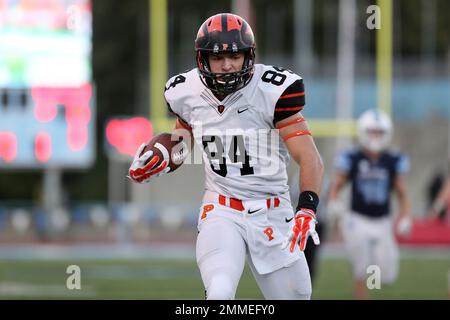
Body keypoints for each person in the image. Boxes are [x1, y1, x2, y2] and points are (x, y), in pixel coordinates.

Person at [128, 13, 324, 300]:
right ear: (202, 60)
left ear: (249, 56)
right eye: (218, 58)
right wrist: (162, 155)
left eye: (235, 55)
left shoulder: (273, 89)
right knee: (219, 290)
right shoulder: (186, 91)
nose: (228, 64)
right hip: (221, 209)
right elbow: (184, 140)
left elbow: (310, 158)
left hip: (272, 209)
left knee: (296, 296)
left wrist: (307, 207)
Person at [327, 109, 412, 300]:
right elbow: (337, 184)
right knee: (361, 269)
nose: (375, 136)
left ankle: (372, 269)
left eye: (379, 132)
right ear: (363, 132)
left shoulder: (393, 160)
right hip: (357, 219)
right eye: (372, 131)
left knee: (387, 275)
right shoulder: (353, 157)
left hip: (382, 221)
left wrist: (406, 216)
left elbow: (402, 191)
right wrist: (333, 201)